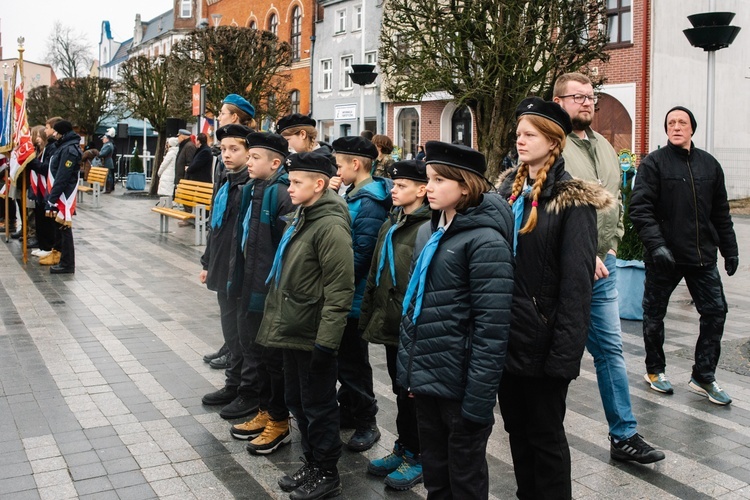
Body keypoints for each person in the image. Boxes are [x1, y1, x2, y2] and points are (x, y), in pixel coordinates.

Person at [496, 97, 612, 499]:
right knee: (516, 431)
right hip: (505, 339)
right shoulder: (507, 193)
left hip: (543, 346)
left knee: (545, 437)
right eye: (518, 135)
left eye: (529, 135)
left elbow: (578, 286)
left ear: (552, 140)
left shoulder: (572, 201)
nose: (520, 141)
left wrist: (563, 358)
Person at [553, 72, 665, 464]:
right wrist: (583, 254)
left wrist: (614, 243)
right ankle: (540, 430)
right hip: (565, 268)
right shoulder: (552, 145)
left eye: (590, 97)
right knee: (555, 354)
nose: (587, 103)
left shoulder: (602, 144)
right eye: (578, 97)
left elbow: (614, 200)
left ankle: (624, 435)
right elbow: (552, 206)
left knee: (610, 350)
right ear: (559, 100)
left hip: (606, 266)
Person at [399, 140, 513, 499]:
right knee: (436, 474)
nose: (428, 188)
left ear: (464, 185)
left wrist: (478, 401)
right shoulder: (431, 234)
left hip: (461, 387)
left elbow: (491, 330)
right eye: (428, 179)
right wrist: (413, 373)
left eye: (438, 181)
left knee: (465, 479)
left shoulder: (485, 242)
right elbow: (419, 308)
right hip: (430, 378)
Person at [255, 151, 354, 500]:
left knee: (319, 405)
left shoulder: (330, 225)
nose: (290, 187)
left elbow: (340, 291)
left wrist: (326, 345)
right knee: (298, 400)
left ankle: (328, 472)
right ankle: (312, 462)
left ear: (319, 184)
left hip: (312, 334)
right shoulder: (302, 215)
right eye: (291, 181)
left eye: (297, 182)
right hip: (293, 328)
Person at [630, 106, 739, 406]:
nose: (676, 127)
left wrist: (730, 250)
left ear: (692, 128)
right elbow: (640, 209)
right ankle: (655, 371)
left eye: (682, 122)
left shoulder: (710, 165)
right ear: (666, 129)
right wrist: (657, 246)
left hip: (702, 257)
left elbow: (721, 213)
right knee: (654, 315)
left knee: (716, 312)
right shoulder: (654, 164)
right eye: (671, 123)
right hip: (664, 257)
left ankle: (703, 376)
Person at [360, 159, 430, 490]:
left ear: (422, 189)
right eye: (394, 184)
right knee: (399, 390)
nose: (394, 190)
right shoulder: (393, 222)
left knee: (412, 393)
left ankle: (418, 456)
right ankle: (404, 447)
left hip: (411, 325)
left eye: (401, 186)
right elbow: (377, 270)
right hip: (390, 323)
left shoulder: (425, 227)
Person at [228, 132, 295, 455]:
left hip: (268, 292)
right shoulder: (254, 188)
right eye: (250, 156)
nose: (249, 162)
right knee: (254, 350)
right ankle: (266, 410)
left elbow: (284, 250)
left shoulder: (281, 193)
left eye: (255, 157)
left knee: (272, 360)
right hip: (249, 285)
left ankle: (279, 422)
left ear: (276, 163)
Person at [331, 135, 393, 452]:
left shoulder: (368, 203)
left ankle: (367, 421)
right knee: (346, 360)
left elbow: (360, 255)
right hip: (345, 294)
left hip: (353, 298)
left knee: (353, 363)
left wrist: (335, 285)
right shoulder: (355, 195)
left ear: (356, 164)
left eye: (340, 165)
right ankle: (351, 410)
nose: (337, 171)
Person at [199, 124, 257, 420]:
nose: (227, 155)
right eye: (223, 150)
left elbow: (243, 236)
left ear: (250, 153)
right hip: (223, 268)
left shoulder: (249, 186)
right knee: (230, 332)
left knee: (243, 335)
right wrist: (208, 263)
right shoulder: (227, 182)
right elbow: (216, 228)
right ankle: (233, 384)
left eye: (234, 149)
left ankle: (247, 391)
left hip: (241, 273)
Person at [203, 94, 258, 368]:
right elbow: (218, 219)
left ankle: (237, 364)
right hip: (223, 253)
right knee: (229, 313)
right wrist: (207, 260)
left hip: (238, 262)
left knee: (238, 316)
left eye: (222, 112)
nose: (218, 116)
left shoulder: (249, 173)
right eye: (224, 149)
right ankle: (231, 351)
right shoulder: (226, 162)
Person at [45, 120, 82, 274]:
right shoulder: (65, 146)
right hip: (61, 193)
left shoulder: (69, 150)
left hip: (64, 195)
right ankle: (65, 262)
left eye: (56, 132)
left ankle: (67, 264)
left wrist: (52, 198)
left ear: (63, 133)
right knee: (63, 228)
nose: (54, 134)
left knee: (65, 228)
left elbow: (62, 176)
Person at [98, 127, 117, 193]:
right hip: (107, 160)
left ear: (107, 139)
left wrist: (97, 154)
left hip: (107, 161)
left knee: (108, 175)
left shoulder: (108, 145)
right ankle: (108, 188)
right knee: (108, 175)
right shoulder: (108, 144)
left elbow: (103, 153)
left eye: (104, 138)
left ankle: (108, 189)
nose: (103, 140)